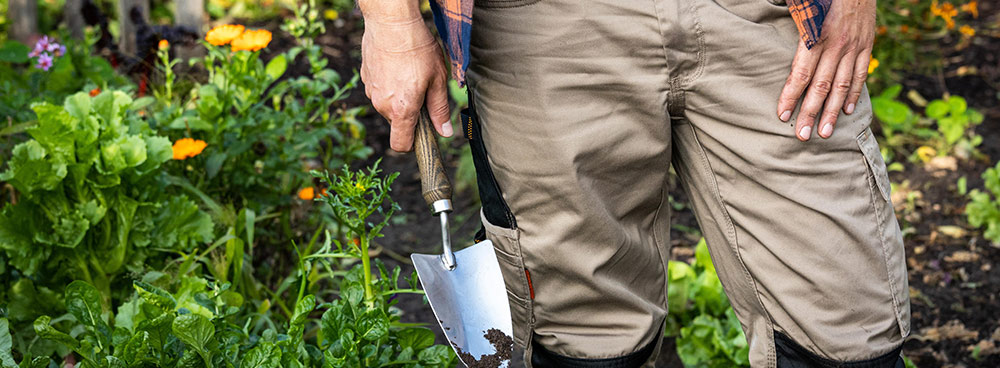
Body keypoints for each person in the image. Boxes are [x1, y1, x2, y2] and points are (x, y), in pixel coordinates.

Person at [358, 0, 910, 366]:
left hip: (763, 15)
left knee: (848, 328)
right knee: (586, 339)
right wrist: (393, 23)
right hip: (543, 25)